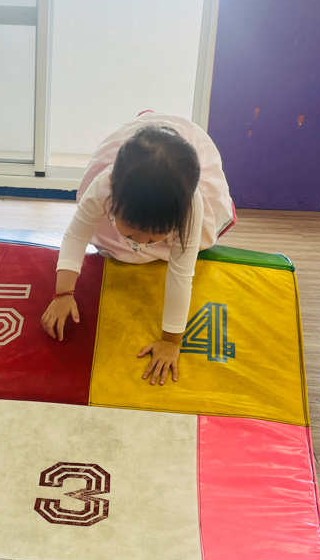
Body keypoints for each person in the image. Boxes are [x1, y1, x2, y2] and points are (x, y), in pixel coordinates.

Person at [41, 112, 234, 385]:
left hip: (176, 196)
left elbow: (181, 274)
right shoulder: (105, 186)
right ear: (115, 202)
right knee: (113, 242)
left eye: (155, 235)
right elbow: (75, 236)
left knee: (184, 251)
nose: (141, 243)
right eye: (132, 232)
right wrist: (63, 293)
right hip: (130, 184)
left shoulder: (190, 208)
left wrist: (171, 341)